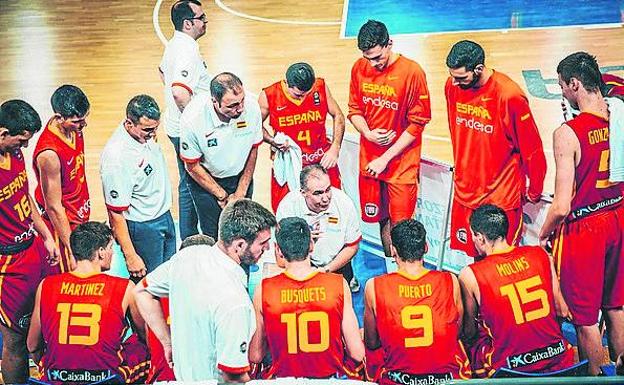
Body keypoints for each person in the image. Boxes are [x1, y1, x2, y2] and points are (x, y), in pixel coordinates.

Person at [539, 52, 624, 375]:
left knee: (584, 319)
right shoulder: (619, 115)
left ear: (574, 84)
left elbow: (561, 205)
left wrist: (544, 233)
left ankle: (598, 379)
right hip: (618, 216)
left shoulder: (567, 132)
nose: (562, 93)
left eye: (562, 86)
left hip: (586, 229)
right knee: (615, 306)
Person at [134, 199, 276, 382]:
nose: (268, 248)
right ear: (239, 245)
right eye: (263, 243)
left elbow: (142, 292)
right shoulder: (235, 302)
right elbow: (234, 377)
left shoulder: (186, 258)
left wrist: (167, 343)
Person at [445, 40, 546, 258]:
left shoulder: (509, 96)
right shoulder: (452, 87)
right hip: (466, 193)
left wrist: (535, 188)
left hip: (500, 198)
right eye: (452, 76)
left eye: (461, 77)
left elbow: (533, 149)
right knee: (475, 260)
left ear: (479, 69)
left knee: (501, 262)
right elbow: (457, 133)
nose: (454, 82)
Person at [348, 20, 431, 258]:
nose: (372, 64)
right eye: (367, 58)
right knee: (380, 218)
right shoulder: (359, 68)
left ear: (389, 44)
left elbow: (418, 123)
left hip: (401, 166)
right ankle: (389, 269)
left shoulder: (412, 72)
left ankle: (404, 277)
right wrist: (367, 133)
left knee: (401, 227)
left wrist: (385, 158)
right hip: (370, 163)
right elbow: (354, 110)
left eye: (377, 57)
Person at [27, 222, 146, 385]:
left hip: (58, 378)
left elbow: (32, 345)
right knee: (148, 349)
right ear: (101, 252)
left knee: (48, 361)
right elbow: (145, 337)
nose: (112, 252)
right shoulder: (125, 288)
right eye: (111, 247)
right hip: (106, 379)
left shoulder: (46, 285)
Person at [461, 204, 574, 376]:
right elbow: (562, 309)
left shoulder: (470, 274)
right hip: (558, 358)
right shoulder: (541, 255)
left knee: (469, 342)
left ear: (480, 238)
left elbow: (469, 331)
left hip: (510, 369)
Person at [249, 216, 364, 379]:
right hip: (328, 378)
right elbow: (357, 353)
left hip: (283, 379)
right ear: (311, 245)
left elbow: (255, 355)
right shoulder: (338, 284)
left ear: (279, 250)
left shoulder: (264, 289)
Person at [364, 219, 470, 384]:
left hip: (399, 379)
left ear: (393, 250)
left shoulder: (374, 286)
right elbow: (458, 331)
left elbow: (371, 343)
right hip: (446, 378)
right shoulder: (450, 280)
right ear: (426, 247)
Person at [0, 100, 60, 384]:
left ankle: (52, 374)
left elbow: (25, 199)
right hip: (8, 263)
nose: (24, 147)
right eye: (21, 140)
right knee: (15, 339)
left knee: (48, 314)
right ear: (3, 133)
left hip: (32, 247)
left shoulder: (14, 155)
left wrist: (46, 235)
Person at [100, 95, 175, 282]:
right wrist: (131, 256)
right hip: (143, 228)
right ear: (129, 123)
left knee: (166, 278)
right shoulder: (116, 159)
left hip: (164, 216)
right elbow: (115, 213)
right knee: (148, 286)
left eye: (155, 128)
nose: (152, 134)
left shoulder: (144, 134)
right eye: (147, 130)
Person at [180, 72, 262, 239]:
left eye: (241, 101)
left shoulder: (252, 108)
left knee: (244, 231)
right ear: (214, 102)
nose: (240, 109)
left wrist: (240, 192)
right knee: (215, 235)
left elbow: (253, 149)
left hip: (240, 178)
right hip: (206, 182)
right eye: (232, 106)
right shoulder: (192, 119)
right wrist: (222, 195)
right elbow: (192, 166)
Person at [259, 62, 345, 212]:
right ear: (286, 83)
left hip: (321, 160)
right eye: (298, 94)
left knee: (333, 208)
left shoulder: (320, 87)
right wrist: (272, 141)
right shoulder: (269, 95)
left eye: (307, 93)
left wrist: (335, 148)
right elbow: (254, 126)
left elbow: (338, 115)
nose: (302, 98)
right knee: (287, 212)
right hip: (290, 165)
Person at [159, 0, 211, 240]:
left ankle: (189, 234)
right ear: (188, 23)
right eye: (201, 17)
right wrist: (194, 125)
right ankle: (190, 237)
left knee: (188, 180)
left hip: (176, 125)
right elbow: (180, 92)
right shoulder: (187, 50)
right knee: (193, 183)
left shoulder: (175, 44)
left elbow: (161, 71)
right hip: (185, 131)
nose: (206, 21)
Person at [33, 85, 91, 273]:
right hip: (63, 225)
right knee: (74, 277)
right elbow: (54, 207)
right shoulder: (49, 154)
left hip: (79, 214)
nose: (83, 125)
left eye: (84, 119)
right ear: (59, 118)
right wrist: (71, 249)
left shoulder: (74, 129)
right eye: (77, 121)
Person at [144, 233, 215, 384]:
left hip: (163, 379)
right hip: (207, 378)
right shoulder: (226, 296)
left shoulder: (152, 299)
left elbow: (148, 342)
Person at [276, 165, 361, 287]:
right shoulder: (288, 207)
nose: (325, 198)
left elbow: (352, 246)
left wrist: (326, 270)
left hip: (337, 266)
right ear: (303, 193)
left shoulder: (344, 203)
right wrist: (301, 243)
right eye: (318, 193)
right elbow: (280, 259)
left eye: (328, 190)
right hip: (300, 268)